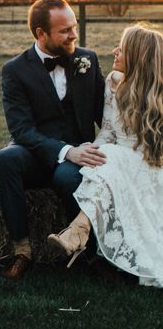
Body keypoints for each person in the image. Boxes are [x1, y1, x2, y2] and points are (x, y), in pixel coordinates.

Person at [0, 0, 105, 280]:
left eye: (74, 27)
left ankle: (92, 254)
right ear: (41, 34)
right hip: (34, 151)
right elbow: (21, 130)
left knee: (67, 178)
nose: (73, 35)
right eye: (64, 30)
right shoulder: (15, 70)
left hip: (77, 155)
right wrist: (66, 151)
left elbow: (104, 115)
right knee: (6, 160)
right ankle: (22, 251)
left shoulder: (87, 60)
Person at [47, 24, 163, 288]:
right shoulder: (113, 83)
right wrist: (91, 153)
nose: (114, 51)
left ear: (138, 55)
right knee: (105, 155)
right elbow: (108, 132)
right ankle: (78, 232)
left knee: (112, 158)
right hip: (117, 158)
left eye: (122, 48)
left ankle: (78, 233)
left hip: (152, 165)